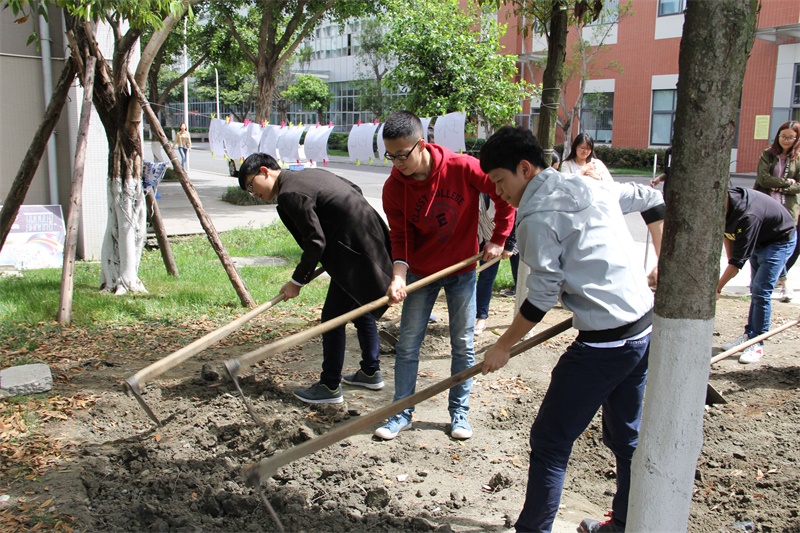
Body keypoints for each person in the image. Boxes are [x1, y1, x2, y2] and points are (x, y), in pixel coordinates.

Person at [478, 126, 665, 533]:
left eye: (499, 181)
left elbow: (541, 296)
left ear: (525, 169)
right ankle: (625, 525)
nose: (498, 193)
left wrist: (503, 346)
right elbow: (653, 199)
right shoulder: (589, 184)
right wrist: (660, 256)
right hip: (642, 329)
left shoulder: (537, 218)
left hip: (606, 345)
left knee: (550, 440)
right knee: (625, 438)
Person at [375, 110, 515, 441]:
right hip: (421, 273)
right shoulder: (394, 189)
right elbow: (400, 239)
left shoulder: (461, 167)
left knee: (463, 344)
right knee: (408, 344)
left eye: (402, 155)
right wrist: (398, 276)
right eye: (390, 156)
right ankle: (401, 412)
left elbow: (502, 194)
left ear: (421, 145)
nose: (397, 163)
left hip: (462, 270)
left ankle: (460, 413)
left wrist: (498, 237)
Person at [237, 153, 393, 403]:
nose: (253, 193)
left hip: (353, 255)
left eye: (250, 186)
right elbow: (354, 189)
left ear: (264, 171)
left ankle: (330, 386)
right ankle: (370, 371)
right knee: (360, 309)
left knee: (331, 320)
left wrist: (297, 281)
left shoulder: (290, 193)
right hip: (371, 244)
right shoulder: (311, 175)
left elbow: (315, 242)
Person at [718, 187, 796, 364]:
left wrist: (718, 288)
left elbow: (737, 265)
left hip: (779, 241)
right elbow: (727, 236)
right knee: (756, 290)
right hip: (760, 239)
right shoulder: (724, 204)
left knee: (761, 291)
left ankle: (757, 342)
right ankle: (749, 335)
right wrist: (731, 259)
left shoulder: (747, 216)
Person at [754, 121, 800, 302]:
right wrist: (787, 183)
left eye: (790, 137)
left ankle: (782, 282)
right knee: (764, 245)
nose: (785, 141)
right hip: (765, 206)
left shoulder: (798, 158)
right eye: (782, 136)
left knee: (782, 247)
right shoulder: (768, 154)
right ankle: (774, 281)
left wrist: (784, 189)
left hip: (787, 208)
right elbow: (763, 179)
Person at [475, 193, 516, 335]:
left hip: (516, 238)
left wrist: (509, 246)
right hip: (489, 239)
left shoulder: (502, 190)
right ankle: (480, 317)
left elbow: (515, 214)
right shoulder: (475, 192)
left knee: (522, 281)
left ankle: (523, 322)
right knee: (486, 277)